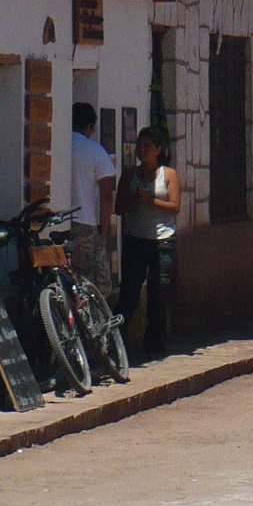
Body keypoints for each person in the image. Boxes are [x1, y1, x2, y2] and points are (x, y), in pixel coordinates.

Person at [115, 124, 180, 360]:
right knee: (129, 292)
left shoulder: (168, 174)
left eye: (147, 146)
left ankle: (155, 344)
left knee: (158, 293)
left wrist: (152, 200)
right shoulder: (130, 175)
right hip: (135, 240)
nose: (141, 151)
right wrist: (134, 199)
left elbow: (175, 207)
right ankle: (116, 343)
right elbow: (119, 208)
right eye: (139, 146)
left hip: (162, 241)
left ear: (158, 149)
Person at [66, 103, 117, 296]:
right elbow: (106, 193)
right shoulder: (95, 151)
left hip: (58, 223)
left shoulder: (60, 145)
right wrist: (103, 229)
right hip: (85, 223)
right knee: (98, 284)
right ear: (89, 127)